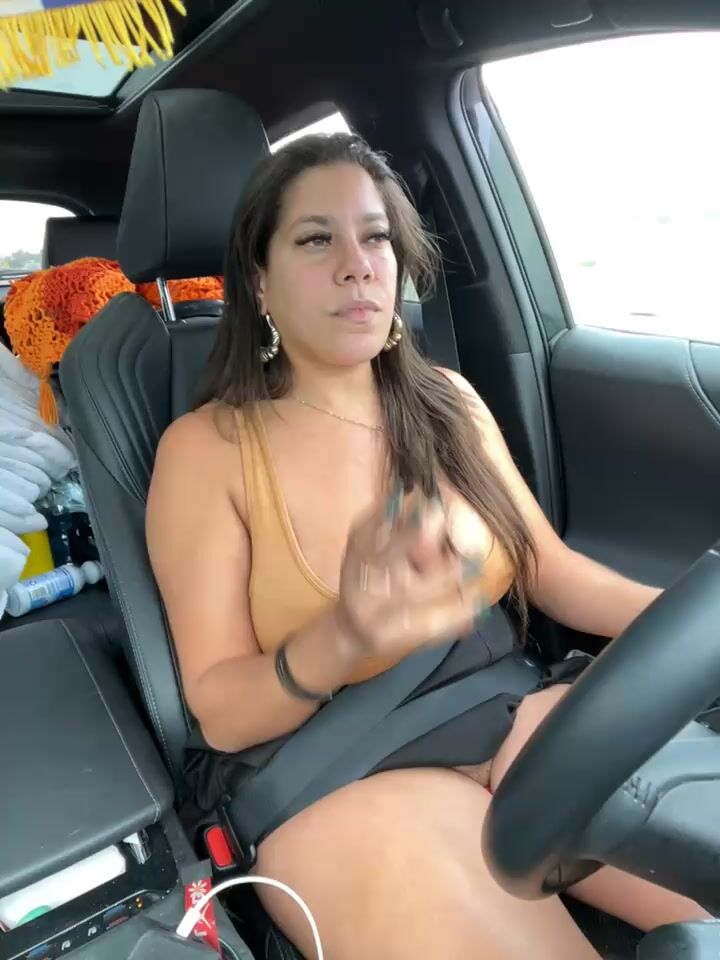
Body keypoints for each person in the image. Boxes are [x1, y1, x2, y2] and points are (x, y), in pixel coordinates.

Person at [146, 133, 708, 960]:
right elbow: (221, 712)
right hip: (343, 774)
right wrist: (345, 640)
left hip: (513, 712)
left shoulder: (448, 400)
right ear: (259, 280)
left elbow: (551, 571)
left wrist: (693, 623)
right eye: (316, 239)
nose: (357, 265)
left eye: (375, 237)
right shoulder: (207, 451)